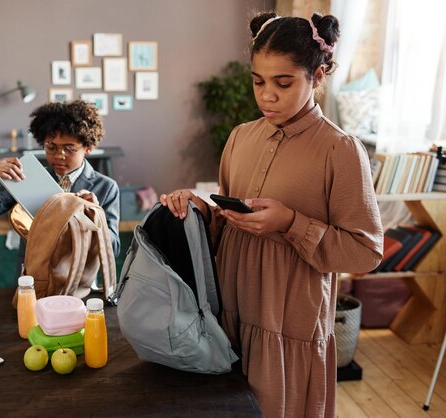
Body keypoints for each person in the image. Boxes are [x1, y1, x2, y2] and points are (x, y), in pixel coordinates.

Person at [160, 12, 383, 418]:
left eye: (283, 83)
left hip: (289, 324)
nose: (267, 96)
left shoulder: (341, 150)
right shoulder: (240, 137)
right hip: (230, 312)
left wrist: (291, 223)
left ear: (317, 77)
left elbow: (365, 252)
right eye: (258, 81)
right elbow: (227, 221)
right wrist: (197, 209)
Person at [0, 100, 120, 278]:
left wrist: (94, 216)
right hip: (32, 275)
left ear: (88, 147)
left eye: (69, 149)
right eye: (51, 147)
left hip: (77, 278)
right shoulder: (27, 177)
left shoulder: (106, 188)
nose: (59, 155)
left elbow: (113, 249)